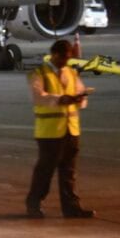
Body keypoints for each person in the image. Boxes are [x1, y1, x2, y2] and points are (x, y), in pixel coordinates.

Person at [25, 39, 95, 218]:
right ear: (54, 55)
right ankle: (34, 204)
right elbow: (37, 97)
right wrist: (60, 99)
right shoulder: (38, 73)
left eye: (68, 57)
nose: (66, 61)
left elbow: (79, 92)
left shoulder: (70, 72)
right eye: (63, 57)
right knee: (45, 171)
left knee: (69, 172)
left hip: (71, 130)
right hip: (49, 132)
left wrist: (80, 98)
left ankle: (71, 207)